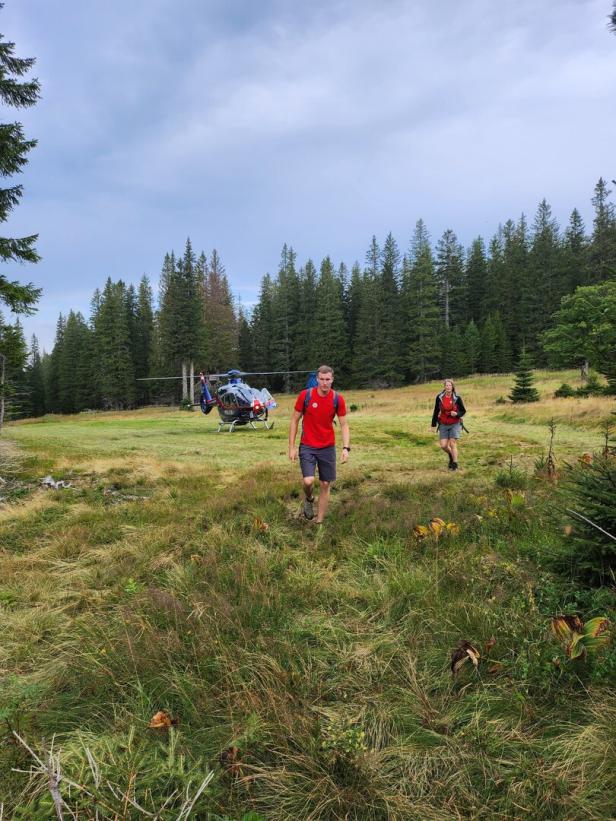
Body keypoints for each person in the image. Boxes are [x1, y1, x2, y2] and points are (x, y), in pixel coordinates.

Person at [288, 365, 350, 523]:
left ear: (332, 380)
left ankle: (319, 522)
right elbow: (294, 420)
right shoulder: (305, 396)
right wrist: (292, 447)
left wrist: (345, 448)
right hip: (307, 446)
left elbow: (344, 425)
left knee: (325, 483)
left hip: (327, 447)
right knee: (308, 481)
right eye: (321, 379)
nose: (324, 383)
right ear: (317, 379)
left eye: (327, 379)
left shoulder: (337, 399)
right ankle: (309, 499)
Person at [431, 378, 466, 470]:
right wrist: (433, 425)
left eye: (450, 385)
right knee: (443, 445)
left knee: (452, 443)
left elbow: (463, 411)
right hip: (443, 423)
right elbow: (436, 411)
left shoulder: (457, 397)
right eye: (446, 385)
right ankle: (451, 455)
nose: (448, 387)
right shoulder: (439, 397)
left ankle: (454, 464)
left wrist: (457, 414)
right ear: (444, 387)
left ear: (452, 387)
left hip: (455, 423)